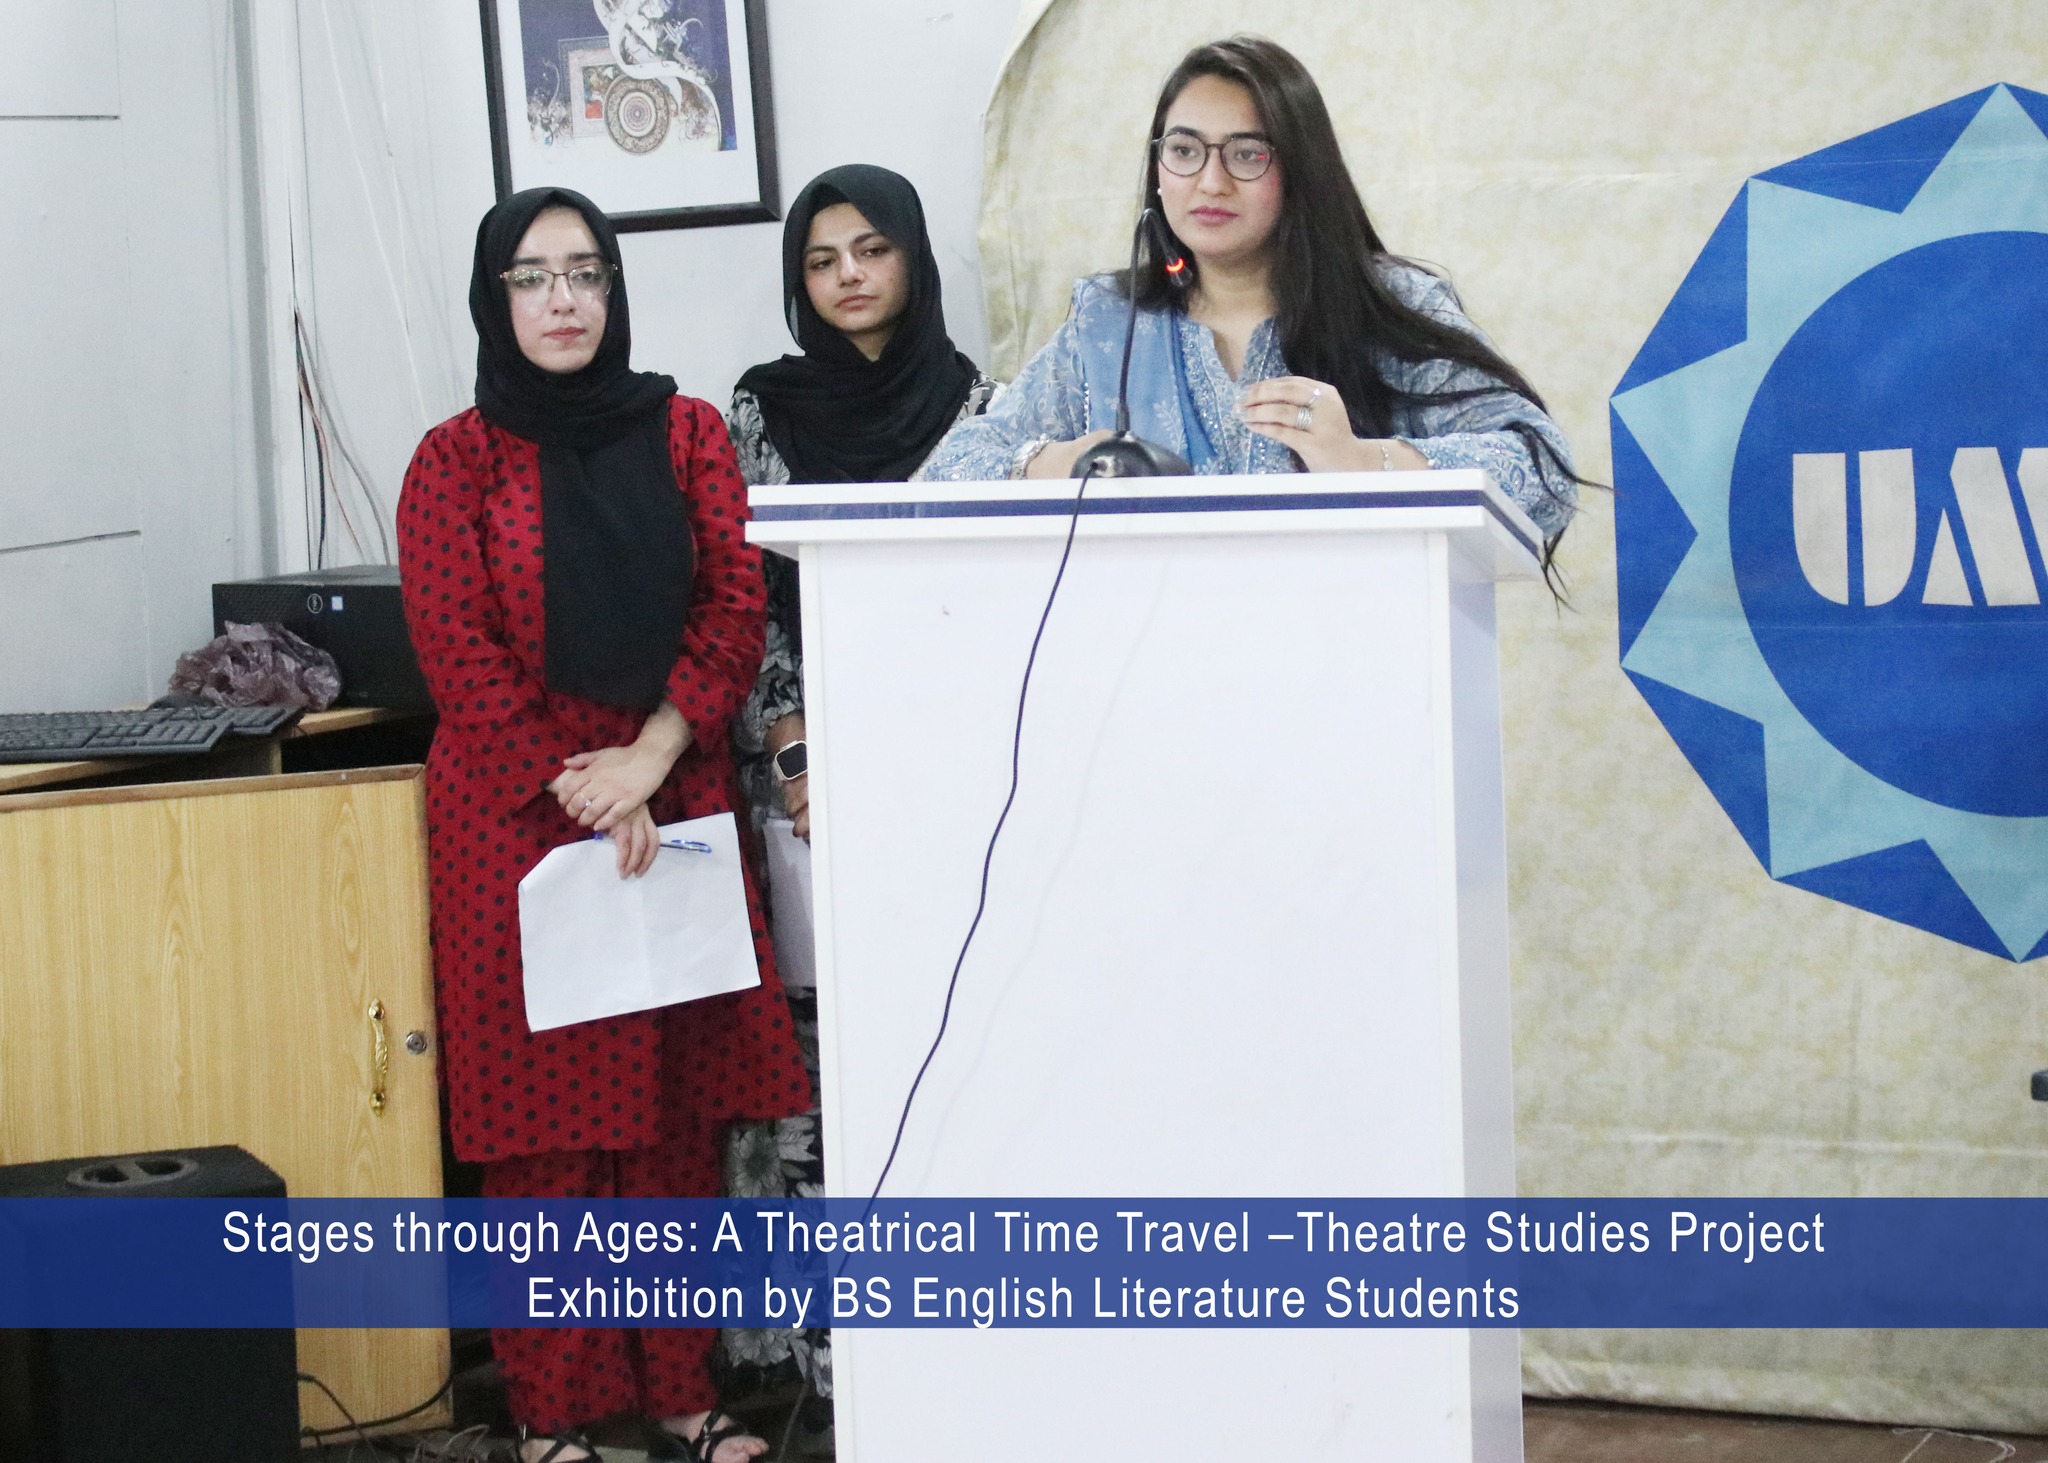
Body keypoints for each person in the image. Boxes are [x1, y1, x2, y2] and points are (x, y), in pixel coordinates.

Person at [397, 186, 809, 1463]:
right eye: (531, 278)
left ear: (614, 290)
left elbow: (733, 607)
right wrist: (577, 787)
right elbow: (455, 647)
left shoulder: (687, 435)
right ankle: (554, 1413)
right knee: (545, 1132)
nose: (563, 300)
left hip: (670, 792)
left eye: (583, 273)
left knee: (676, 1117)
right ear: (496, 301)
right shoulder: (452, 460)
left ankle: (683, 1394)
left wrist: (649, 758)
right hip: (515, 818)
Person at [718, 164, 995, 1416]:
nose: (847, 277)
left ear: (912, 258)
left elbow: (982, 600)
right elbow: (748, 596)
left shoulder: (979, 405)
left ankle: (946, 1338)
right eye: (821, 259)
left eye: (870, 250)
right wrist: (797, 753)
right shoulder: (763, 407)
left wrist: (932, 749)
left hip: (943, 765)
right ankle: (820, 1362)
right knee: (816, 1055)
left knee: (939, 1039)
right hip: (804, 774)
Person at [916, 35, 1580, 554]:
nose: (1210, 182)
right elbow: (947, 473)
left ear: (1300, 168)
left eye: (1246, 154)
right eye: (1184, 150)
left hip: (1354, 654)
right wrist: (1055, 463)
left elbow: (1543, 470)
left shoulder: (1386, 305)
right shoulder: (1111, 325)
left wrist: (1363, 460)